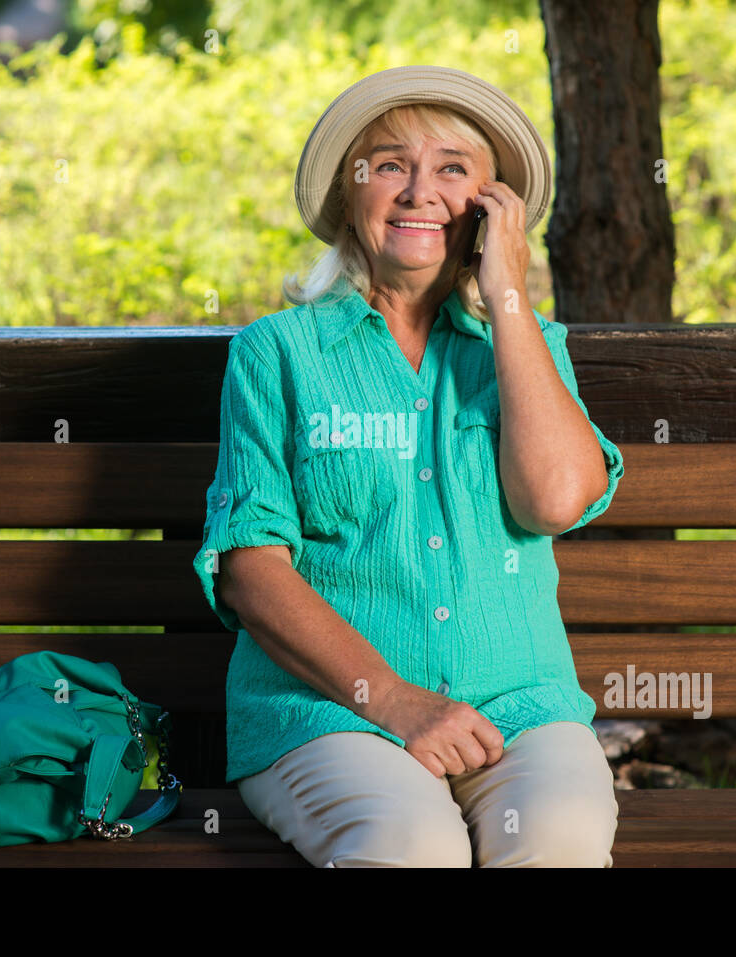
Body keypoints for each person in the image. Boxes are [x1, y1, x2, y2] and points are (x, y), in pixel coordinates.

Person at [192, 65, 624, 867]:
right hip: (328, 712)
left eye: (453, 169)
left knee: (560, 840)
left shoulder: (530, 348)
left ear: (492, 210)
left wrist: (507, 300)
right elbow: (251, 569)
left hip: (519, 707)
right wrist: (393, 701)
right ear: (350, 195)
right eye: (389, 164)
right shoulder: (278, 355)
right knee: (412, 845)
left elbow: (556, 499)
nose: (419, 190)